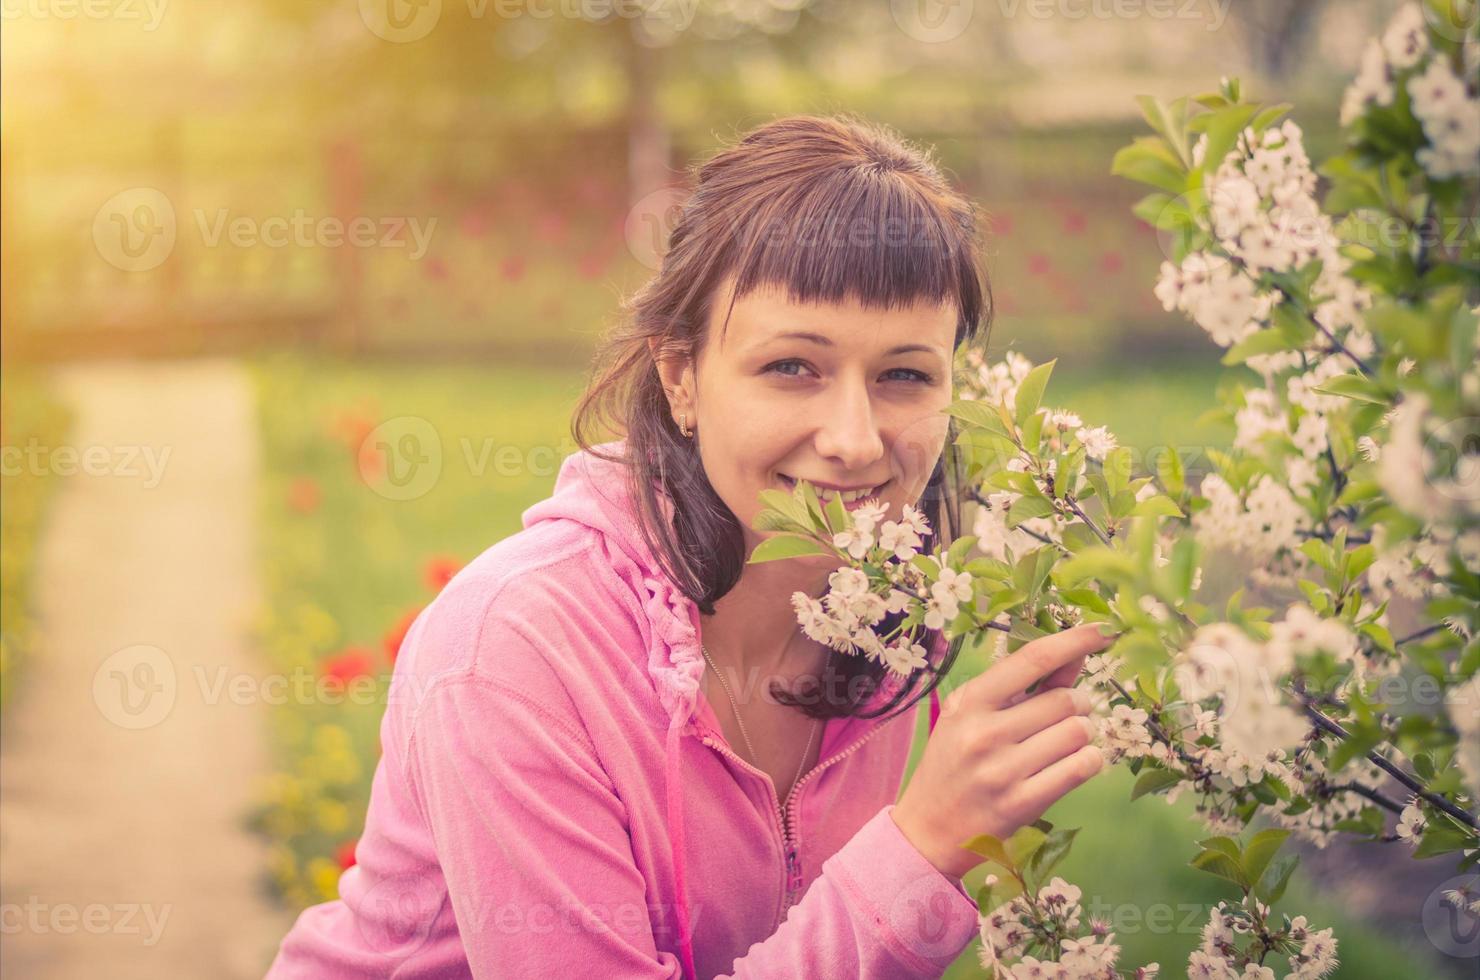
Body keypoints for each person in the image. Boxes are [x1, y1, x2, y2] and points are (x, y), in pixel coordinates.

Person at [264, 113, 1113, 979]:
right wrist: (924, 844)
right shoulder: (515, 651)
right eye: (793, 367)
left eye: (904, 375)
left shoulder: (891, 624)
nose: (856, 440)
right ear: (681, 378)